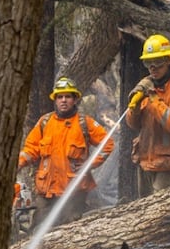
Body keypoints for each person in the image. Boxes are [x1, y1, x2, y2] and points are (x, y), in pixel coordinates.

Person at [17, 77, 114, 226]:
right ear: (55, 100)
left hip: (74, 193)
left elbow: (108, 143)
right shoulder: (45, 122)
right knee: (38, 228)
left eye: (67, 96)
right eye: (60, 97)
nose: (63, 100)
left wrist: (90, 164)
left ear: (75, 100)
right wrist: (18, 164)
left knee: (70, 230)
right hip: (47, 192)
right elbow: (30, 149)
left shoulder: (84, 123)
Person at [126, 34, 170, 198]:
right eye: (148, 62)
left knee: (161, 210)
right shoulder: (148, 86)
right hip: (146, 162)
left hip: (169, 165)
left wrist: (153, 98)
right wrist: (135, 108)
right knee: (143, 208)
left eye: (157, 62)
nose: (152, 68)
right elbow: (133, 125)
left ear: (169, 60)